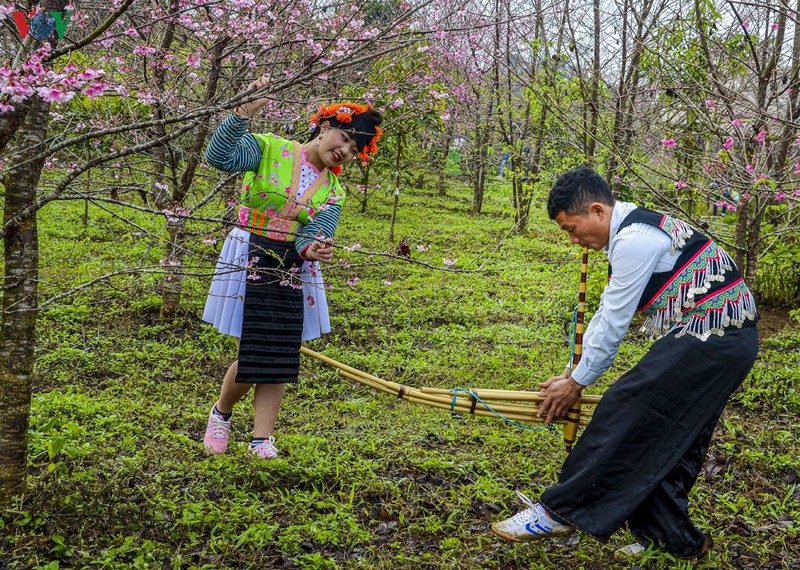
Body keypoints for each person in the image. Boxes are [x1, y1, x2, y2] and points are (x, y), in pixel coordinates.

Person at [490, 166, 758, 560]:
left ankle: (560, 509)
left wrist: (578, 384)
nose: (573, 239)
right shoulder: (631, 231)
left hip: (717, 336)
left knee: (628, 407)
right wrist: (572, 373)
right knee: (674, 437)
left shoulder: (635, 239)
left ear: (598, 211)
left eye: (572, 227)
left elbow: (615, 322)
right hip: (717, 338)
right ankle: (674, 540)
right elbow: (606, 310)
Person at [201, 76, 382, 459]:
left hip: (291, 263)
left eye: (354, 149)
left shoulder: (334, 192)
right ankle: (222, 412)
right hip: (250, 248)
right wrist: (242, 114)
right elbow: (219, 157)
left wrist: (312, 249)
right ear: (326, 127)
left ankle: (261, 438)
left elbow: (314, 233)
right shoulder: (270, 149)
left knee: (282, 349)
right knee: (255, 346)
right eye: (344, 138)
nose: (345, 151)